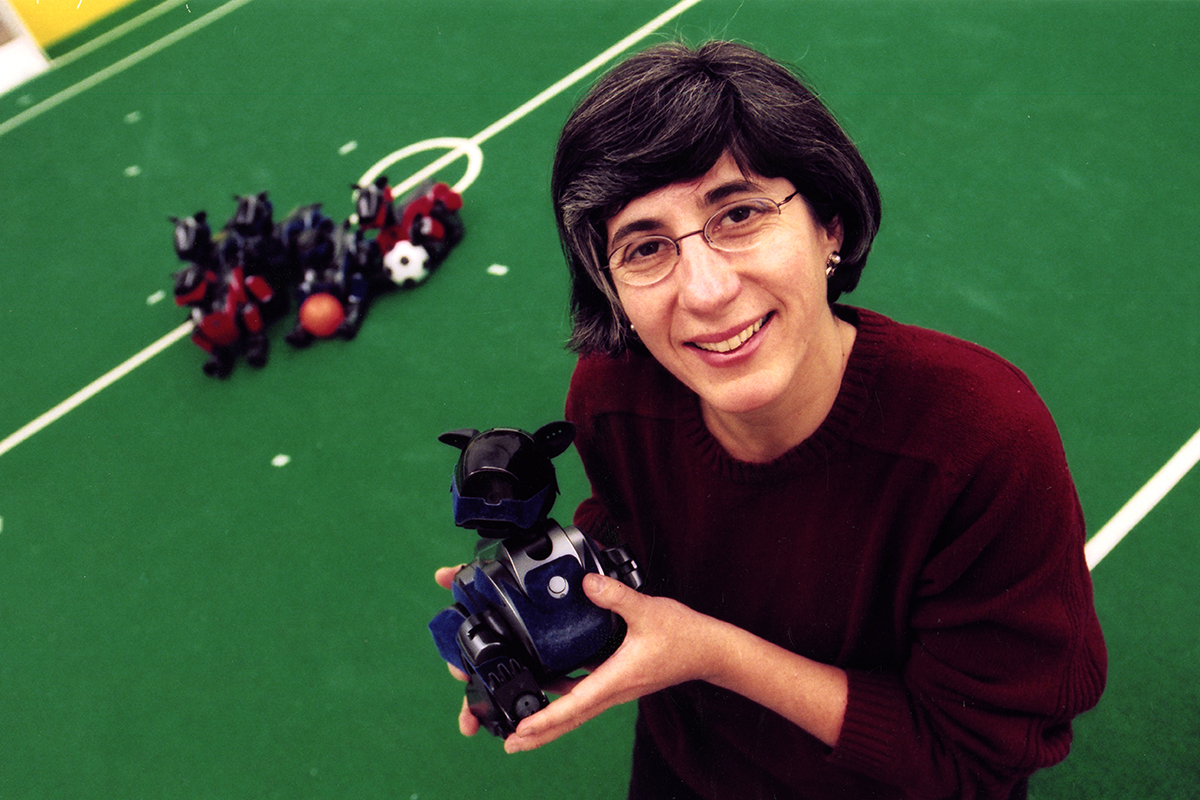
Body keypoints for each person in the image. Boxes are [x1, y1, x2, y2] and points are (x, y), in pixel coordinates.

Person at [436, 40, 1106, 799]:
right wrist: (559, 588)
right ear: (611, 288)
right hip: (685, 773)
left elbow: (972, 763)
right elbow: (639, 518)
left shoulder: (982, 440)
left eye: (740, 212)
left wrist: (711, 654)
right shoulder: (611, 395)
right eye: (646, 246)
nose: (708, 289)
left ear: (831, 226)